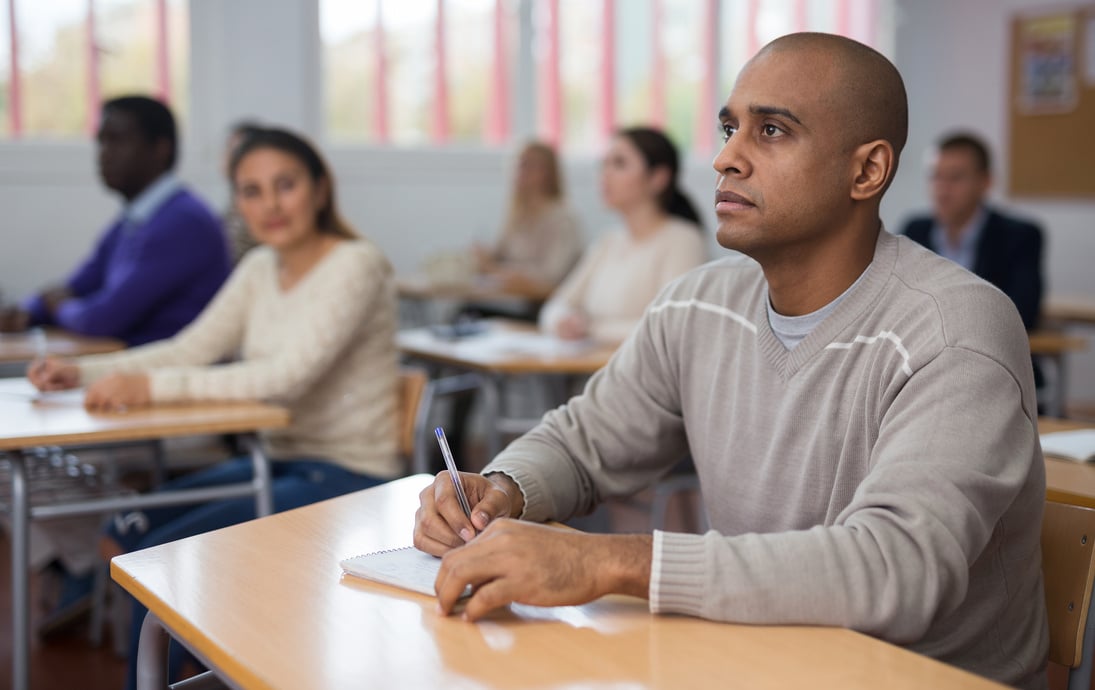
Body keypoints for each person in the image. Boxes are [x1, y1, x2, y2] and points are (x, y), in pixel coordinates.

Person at [414, 33, 1047, 690]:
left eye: (770, 130)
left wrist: (607, 563)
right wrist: (502, 490)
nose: (723, 159)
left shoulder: (955, 327)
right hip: (757, 663)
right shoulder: (698, 304)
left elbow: (897, 569)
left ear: (866, 172)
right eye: (727, 128)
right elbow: (582, 443)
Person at [30, 127, 400, 690]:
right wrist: (81, 374)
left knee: (156, 560)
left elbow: (285, 381)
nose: (269, 205)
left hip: (350, 475)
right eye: (251, 191)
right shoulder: (259, 268)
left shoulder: (357, 263)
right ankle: (181, 668)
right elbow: (189, 349)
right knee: (125, 530)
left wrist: (149, 390)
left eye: (286, 185)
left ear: (320, 190)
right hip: (274, 460)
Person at [0, 95, 229, 345]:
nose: (103, 154)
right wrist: (28, 310)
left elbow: (101, 320)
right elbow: (79, 283)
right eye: (101, 142)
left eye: (117, 140)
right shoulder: (134, 219)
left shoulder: (184, 223)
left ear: (160, 149)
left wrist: (59, 307)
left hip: (173, 374)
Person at [538, 127, 709, 344]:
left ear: (658, 177)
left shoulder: (682, 240)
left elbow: (671, 326)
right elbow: (554, 307)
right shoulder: (608, 242)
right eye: (603, 165)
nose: (605, 175)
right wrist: (562, 321)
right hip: (592, 370)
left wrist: (590, 329)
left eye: (619, 164)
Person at [902, 132, 1044, 330]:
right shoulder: (915, 232)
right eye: (936, 176)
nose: (942, 189)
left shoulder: (1019, 237)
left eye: (955, 177)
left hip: (991, 353)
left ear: (985, 182)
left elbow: (1022, 313)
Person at [472, 141, 583, 307]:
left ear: (547, 173)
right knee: (467, 311)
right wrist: (484, 258)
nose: (520, 171)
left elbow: (550, 277)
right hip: (513, 299)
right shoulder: (518, 214)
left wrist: (495, 270)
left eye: (528, 165)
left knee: (470, 313)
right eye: (518, 164)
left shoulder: (562, 218)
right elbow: (499, 255)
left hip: (542, 306)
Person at [222, 119, 265, 264]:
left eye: (237, 151)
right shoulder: (231, 207)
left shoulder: (260, 209)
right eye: (228, 149)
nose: (229, 157)